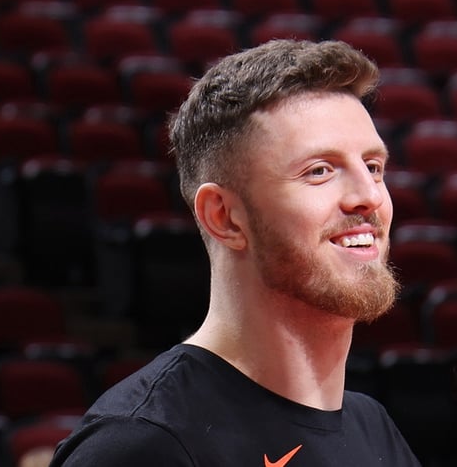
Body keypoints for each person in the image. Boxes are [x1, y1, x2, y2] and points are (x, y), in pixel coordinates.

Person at [50, 39, 421, 466]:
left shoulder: (373, 429)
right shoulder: (143, 443)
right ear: (224, 217)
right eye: (319, 171)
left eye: (374, 167)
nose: (368, 197)